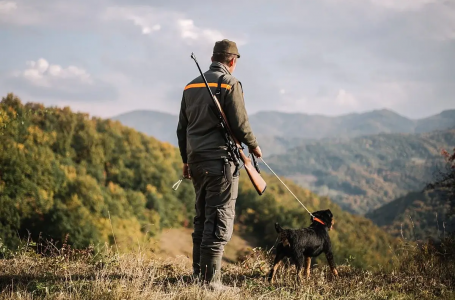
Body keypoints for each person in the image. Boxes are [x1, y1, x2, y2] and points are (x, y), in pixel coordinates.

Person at [176, 39, 262, 288]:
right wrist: (254, 145)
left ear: (214, 58)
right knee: (220, 217)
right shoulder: (230, 83)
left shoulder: (190, 86)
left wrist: (185, 160)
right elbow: (240, 123)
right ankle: (211, 282)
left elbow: (182, 128)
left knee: (202, 217)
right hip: (221, 161)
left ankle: (197, 276)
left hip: (196, 159)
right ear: (232, 61)